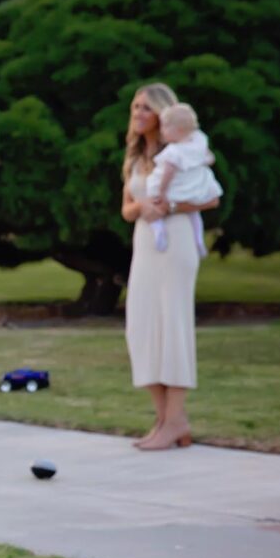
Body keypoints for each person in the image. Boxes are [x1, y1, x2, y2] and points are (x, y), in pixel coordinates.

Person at [121, 83, 223, 451]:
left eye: (145, 108)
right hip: (145, 243)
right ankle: (165, 419)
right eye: (135, 107)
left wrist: (173, 207)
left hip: (176, 240)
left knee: (173, 323)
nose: (138, 114)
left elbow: (211, 197)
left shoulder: (183, 152)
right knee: (141, 326)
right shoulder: (135, 158)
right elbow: (126, 209)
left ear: (162, 114)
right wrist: (142, 208)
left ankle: (176, 417)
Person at [148, 103, 222, 256]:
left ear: (178, 130)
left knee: (153, 202)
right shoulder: (199, 140)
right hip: (194, 187)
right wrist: (199, 163)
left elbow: (167, 173)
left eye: (165, 128)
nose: (162, 131)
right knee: (194, 214)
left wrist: (161, 191)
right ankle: (199, 241)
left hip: (176, 187)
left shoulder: (174, 151)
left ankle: (158, 228)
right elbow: (210, 157)